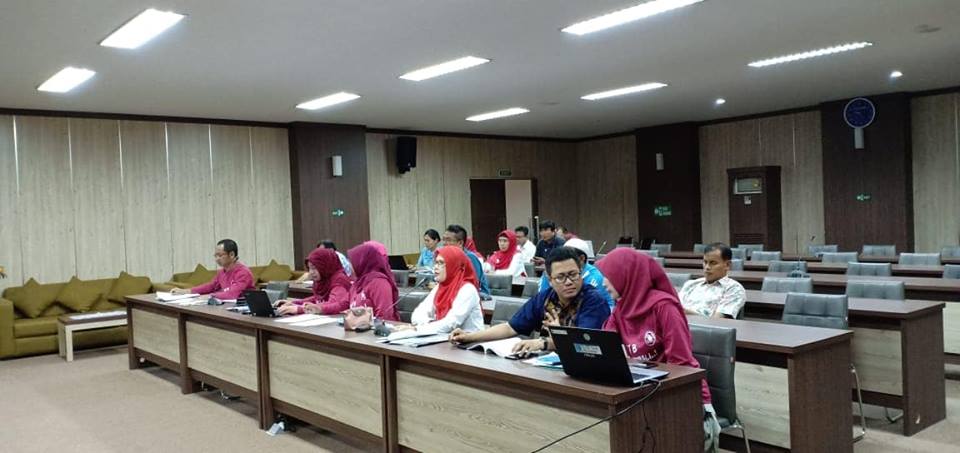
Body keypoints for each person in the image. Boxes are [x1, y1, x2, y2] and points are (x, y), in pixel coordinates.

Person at [595, 248, 719, 450]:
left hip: (680, 395)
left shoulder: (664, 307)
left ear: (625, 275)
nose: (603, 283)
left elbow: (681, 364)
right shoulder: (621, 308)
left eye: (608, 277)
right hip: (642, 393)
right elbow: (606, 346)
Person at [449, 247, 610, 355]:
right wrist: (470, 337)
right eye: (561, 277)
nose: (568, 282)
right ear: (550, 279)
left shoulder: (593, 301)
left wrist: (545, 342)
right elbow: (510, 328)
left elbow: (585, 344)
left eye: (573, 275)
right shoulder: (546, 298)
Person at [407, 247, 484, 334]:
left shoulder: (467, 290)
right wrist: (427, 324)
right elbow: (418, 313)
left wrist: (420, 328)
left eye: (441, 263)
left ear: (454, 266)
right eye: (436, 262)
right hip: (443, 337)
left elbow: (451, 323)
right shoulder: (439, 287)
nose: (435, 267)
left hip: (470, 340)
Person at [320, 242, 399, 321]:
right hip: (360, 326)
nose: (349, 266)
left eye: (351, 262)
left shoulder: (379, 283)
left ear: (361, 262)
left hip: (378, 327)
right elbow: (344, 304)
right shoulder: (358, 282)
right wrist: (321, 308)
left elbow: (385, 315)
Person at [538, 238, 614, 310]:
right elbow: (543, 297)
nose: (564, 259)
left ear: (581, 258)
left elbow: (581, 302)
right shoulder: (552, 272)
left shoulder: (594, 277)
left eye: (569, 257)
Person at [678, 243, 746, 319]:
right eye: (705, 262)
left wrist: (685, 312)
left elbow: (717, 321)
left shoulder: (734, 289)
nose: (707, 267)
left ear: (727, 265)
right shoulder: (691, 284)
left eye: (713, 263)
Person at [276, 248, 351, 315]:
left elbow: (334, 304)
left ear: (324, 266)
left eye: (314, 268)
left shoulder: (339, 279)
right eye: (309, 268)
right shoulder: (322, 279)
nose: (311, 272)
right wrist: (294, 303)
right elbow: (318, 299)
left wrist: (300, 309)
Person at [172, 239, 254, 300]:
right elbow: (211, 286)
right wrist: (187, 291)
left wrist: (210, 296)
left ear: (232, 255)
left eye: (220, 255)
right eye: (215, 256)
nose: (217, 259)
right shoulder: (222, 272)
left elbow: (233, 294)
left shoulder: (243, 272)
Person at [442, 225, 491, 299]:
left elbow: (473, 284)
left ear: (460, 243)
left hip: (478, 294)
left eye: (448, 240)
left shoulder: (470, 258)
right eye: (444, 239)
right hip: (455, 292)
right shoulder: (447, 257)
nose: (444, 243)